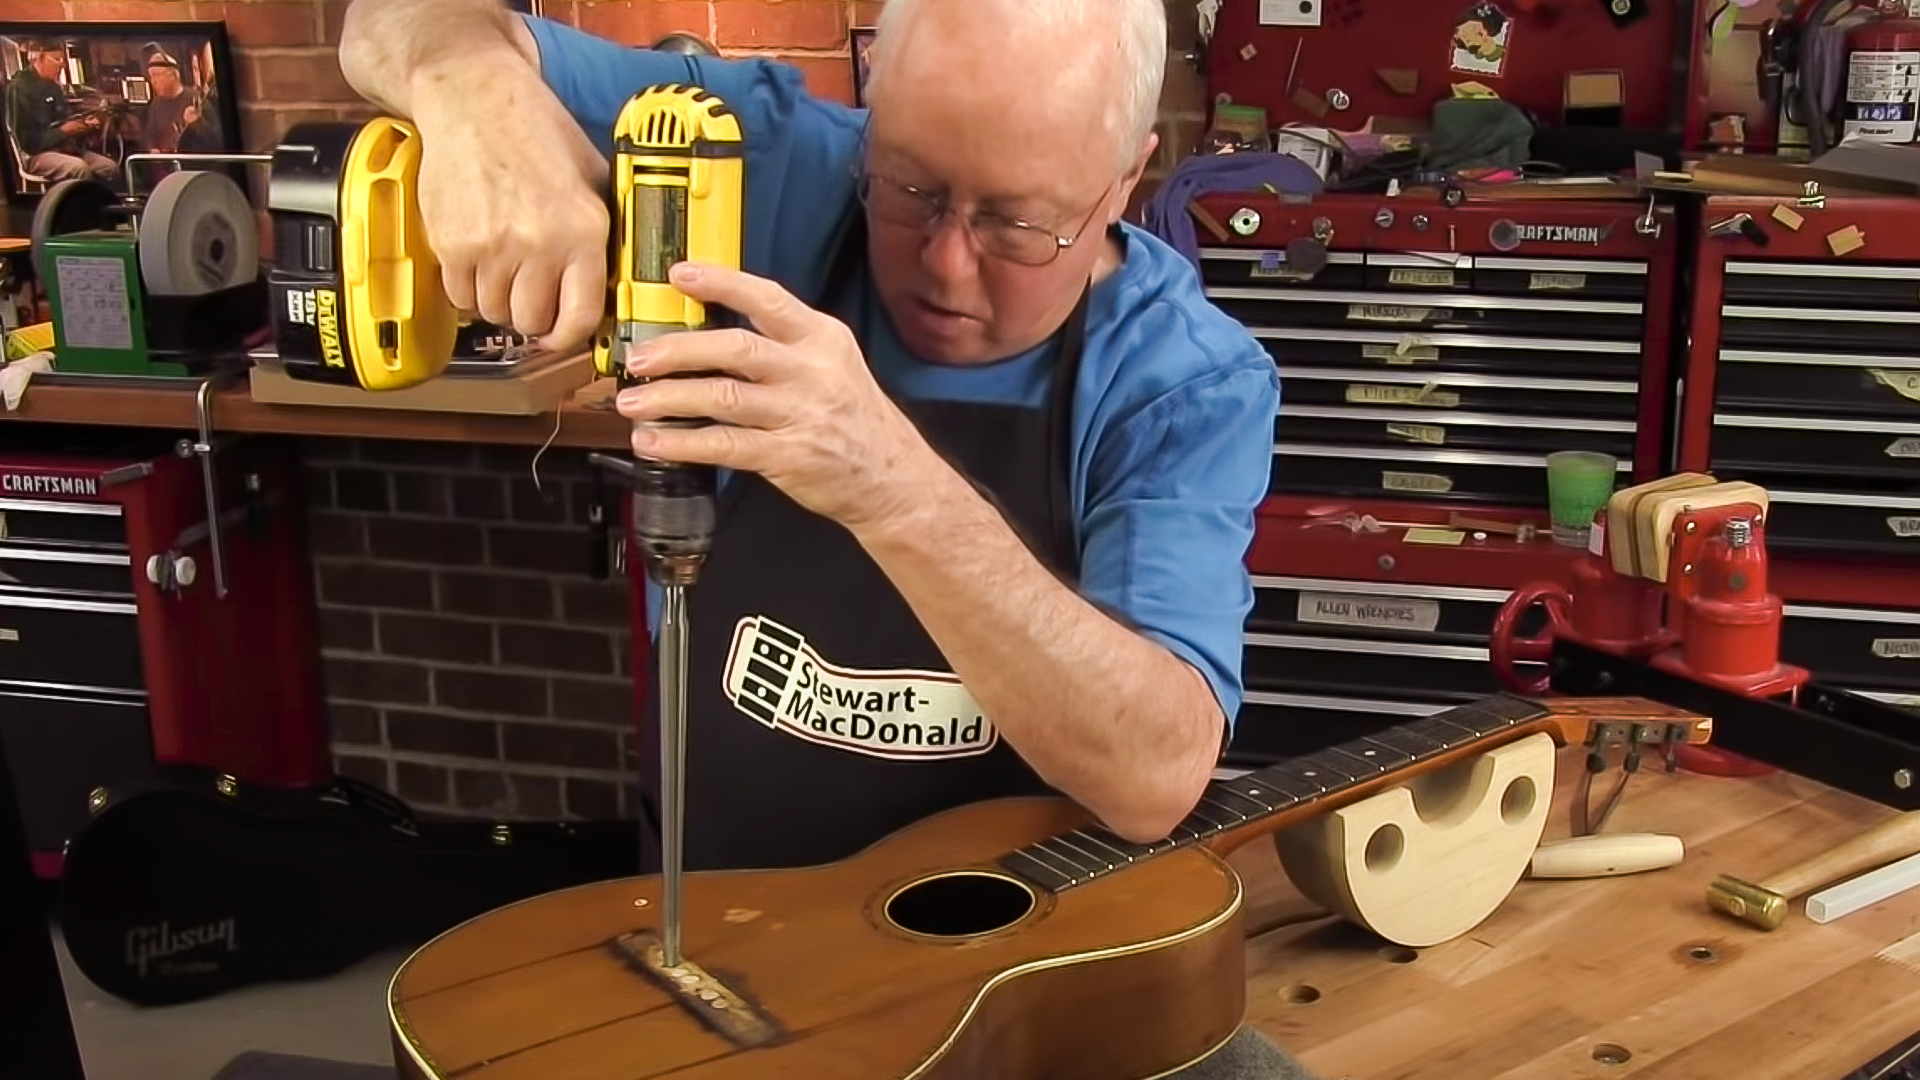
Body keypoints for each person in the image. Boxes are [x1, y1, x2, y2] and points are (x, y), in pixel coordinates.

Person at [338, 1, 1310, 1074]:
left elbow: (1155, 770)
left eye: (1017, 223)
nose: (944, 265)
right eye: (911, 189)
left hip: (1013, 986)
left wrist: (897, 490)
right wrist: (475, 98)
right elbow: (390, 20)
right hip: (718, 935)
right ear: (873, 118)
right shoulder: (754, 157)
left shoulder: (1180, 380)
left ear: (1130, 175)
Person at [4, 41, 116, 184]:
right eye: (57, 59)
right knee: (79, 168)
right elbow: (28, 143)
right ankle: (79, 206)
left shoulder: (55, 87)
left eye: (63, 59)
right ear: (38, 59)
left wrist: (83, 124)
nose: (62, 64)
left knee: (108, 167)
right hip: (36, 154)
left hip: (65, 148)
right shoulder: (19, 88)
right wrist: (63, 131)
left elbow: (64, 118)